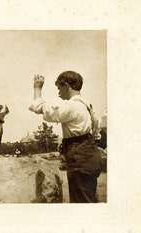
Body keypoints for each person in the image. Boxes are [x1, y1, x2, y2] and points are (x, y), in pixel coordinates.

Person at [29, 71, 102, 203]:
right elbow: (96, 134)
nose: (58, 92)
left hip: (79, 158)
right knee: (89, 198)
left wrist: (37, 89)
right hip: (91, 157)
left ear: (66, 86)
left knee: (81, 204)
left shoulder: (71, 106)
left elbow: (40, 108)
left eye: (59, 88)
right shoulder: (88, 106)